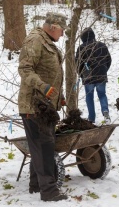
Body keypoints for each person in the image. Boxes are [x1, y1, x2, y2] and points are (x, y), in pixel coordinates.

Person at [18, 12, 68, 202]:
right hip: (34, 105)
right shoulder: (35, 40)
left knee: (41, 146)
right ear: (53, 27)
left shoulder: (47, 42)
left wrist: (59, 97)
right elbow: (25, 69)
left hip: (45, 105)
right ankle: (49, 191)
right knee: (43, 147)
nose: (62, 34)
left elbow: (51, 74)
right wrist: (42, 87)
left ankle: (36, 184)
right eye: (61, 30)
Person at [75, 27, 112, 124]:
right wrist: (104, 70)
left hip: (88, 76)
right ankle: (105, 112)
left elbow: (78, 64)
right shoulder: (102, 45)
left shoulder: (81, 48)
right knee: (102, 94)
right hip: (101, 75)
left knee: (89, 96)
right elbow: (108, 60)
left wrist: (81, 74)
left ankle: (91, 118)